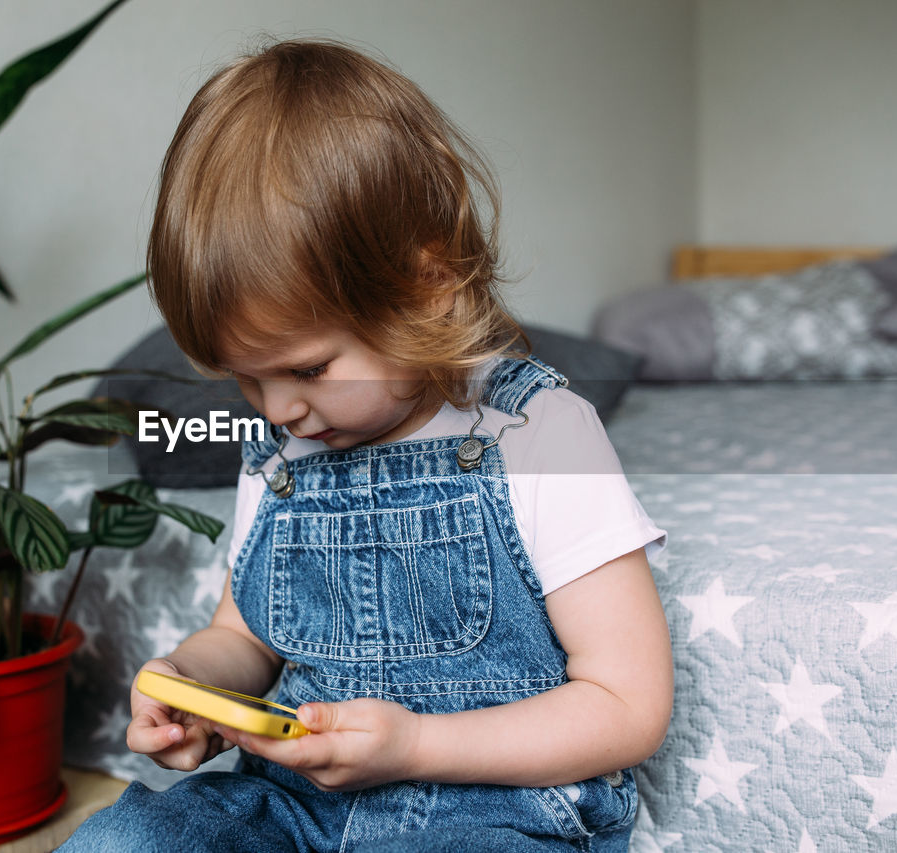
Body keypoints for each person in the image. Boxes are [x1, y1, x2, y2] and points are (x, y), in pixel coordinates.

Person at [60, 38, 672, 853]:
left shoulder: (537, 433)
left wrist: (416, 744)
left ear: (427, 283)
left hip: (488, 813)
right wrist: (193, 683)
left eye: (309, 367)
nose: (282, 409)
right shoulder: (278, 455)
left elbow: (627, 704)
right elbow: (245, 636)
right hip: (291, 806)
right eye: (246, 381)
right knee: (122, 842)